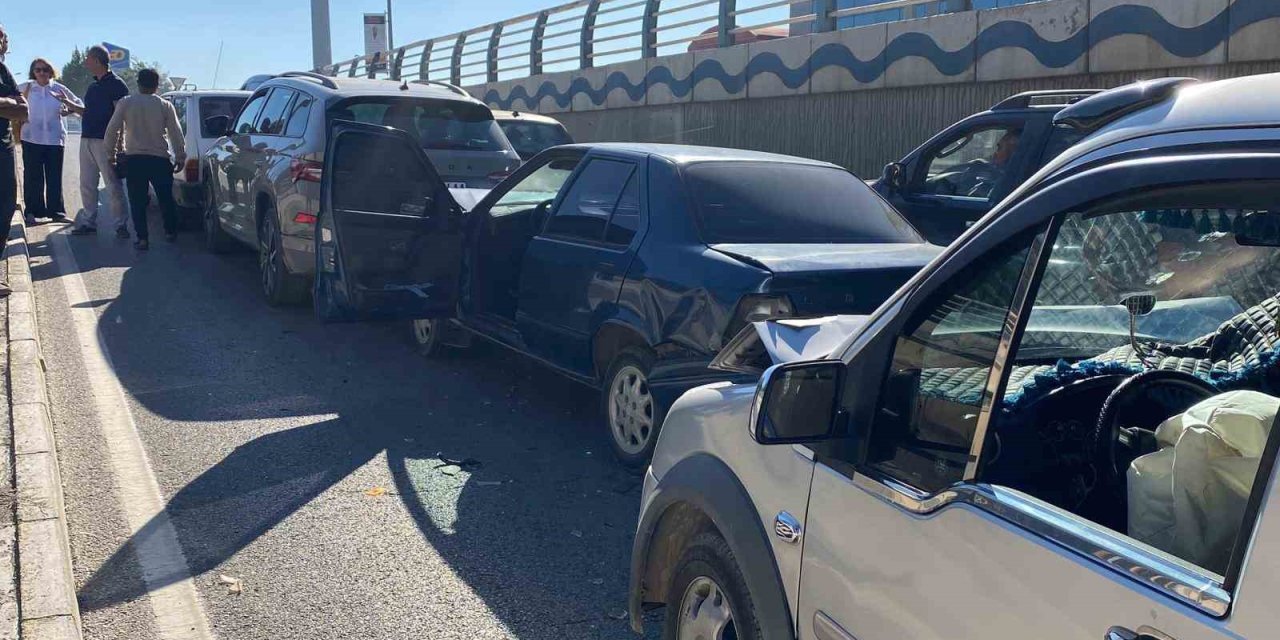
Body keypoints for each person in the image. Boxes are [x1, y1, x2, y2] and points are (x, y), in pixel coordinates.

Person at [103, 68, 184, 250]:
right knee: (165, 198)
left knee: (137, 201)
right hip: (160, 159)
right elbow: (176, 133)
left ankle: (142, 238)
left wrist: (110, 154)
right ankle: (170, 231)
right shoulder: (165, 105)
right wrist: (180, 155)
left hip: (135, 159)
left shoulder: (126, 103)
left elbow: (112, 130)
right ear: (157, 86)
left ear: (138, 84)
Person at [60, 45, 129, 237]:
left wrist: (119, 144)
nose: (85, 62)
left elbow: (121, 116)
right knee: (87, 183)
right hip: (87, 140)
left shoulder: (117, 84)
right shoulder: (92, 87)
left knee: (112, 184)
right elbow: (87, 113)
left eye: (88, 59)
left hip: (106, 142)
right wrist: (71, 106)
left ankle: (120, 224)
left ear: (97, 61)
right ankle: (89, 221)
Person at [18, 57, 82, 224]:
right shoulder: (26, 87)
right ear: (33, 72)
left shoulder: (59, 88)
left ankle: (56, 212)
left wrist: (68, 110)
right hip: (31, 138)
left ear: (51, 71)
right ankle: (32, 211)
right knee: (33, 177)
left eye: (45, 70)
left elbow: (77, 104)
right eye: (38, 70)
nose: (41, 73)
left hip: (54, 139)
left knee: (54, 177)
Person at [0, 24, 28, 297]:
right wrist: (6, 104)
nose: (3, 42)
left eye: (3, 38)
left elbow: (23, 110)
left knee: (6, 204)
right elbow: (14, 107)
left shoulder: (3, 70)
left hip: (4, 148)